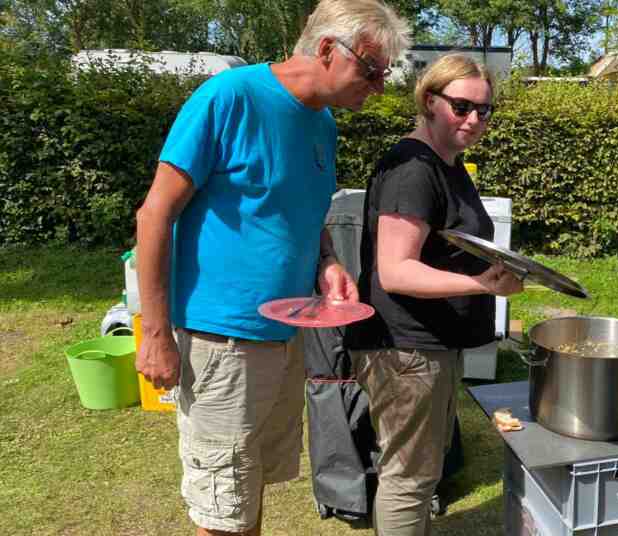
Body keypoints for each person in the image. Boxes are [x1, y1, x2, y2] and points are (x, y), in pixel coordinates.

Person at [133, 1, 410, 534]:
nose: (378, 87)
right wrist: (155, 333)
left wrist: (326, 261)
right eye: (372, 71)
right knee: (221, 508)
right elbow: (154, 216)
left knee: (246, 484)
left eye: (385, 74)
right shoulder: (230, 96)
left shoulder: (322, 123)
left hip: (285, 335)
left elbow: (304, 213)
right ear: (329, 49)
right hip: (223, 339)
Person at [344, 54, 523, 535]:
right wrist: (481, 283)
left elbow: (447, 248)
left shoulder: (447, 163)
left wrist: (496, 268)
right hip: (404, 348)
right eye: (461, 106)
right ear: (429, 100)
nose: (474, 119)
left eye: (484, 110)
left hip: (430, 345)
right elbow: (396, 271)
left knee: (422, 469)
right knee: (409, 477)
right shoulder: (413, 169)